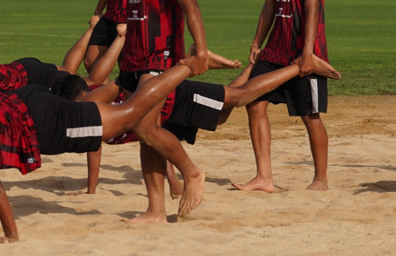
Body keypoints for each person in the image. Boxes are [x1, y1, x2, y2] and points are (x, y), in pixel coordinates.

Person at [0, 56, 202, 244]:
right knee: (130, 117)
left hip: (43, 122)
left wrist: (11, 235)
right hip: (27, 104)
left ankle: (187, 67)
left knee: (131, 117)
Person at [53, 54, 340, 218]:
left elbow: (122, 88)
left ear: (80, 96)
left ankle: (300, 66)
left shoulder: (93, 99)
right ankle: (251, 70)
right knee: (222, 114)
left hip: (173, 98)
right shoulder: (91, 120)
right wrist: (92, 190)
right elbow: (150, 138)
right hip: (162, 114)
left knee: (238, 99)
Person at [107, 0, 211, 223]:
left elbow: (190, 4)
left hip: (160, 55)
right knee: (142, 130)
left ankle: (191, 172)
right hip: (133, 57)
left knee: (146, 126)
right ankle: (155, 209)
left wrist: (202, 47)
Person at [234, 0, 332, 193]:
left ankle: (320, 180)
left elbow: (313, 7)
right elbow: (268, 7)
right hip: (274, 50)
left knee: (309, 114)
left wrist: (307, 54)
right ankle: (264, 177)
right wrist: (256, 43)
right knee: (253, 102)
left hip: (303, 52)